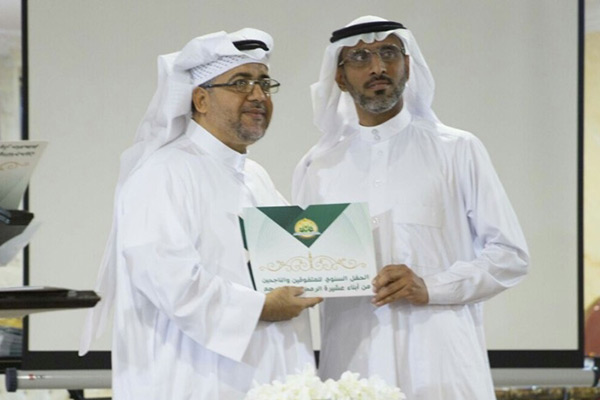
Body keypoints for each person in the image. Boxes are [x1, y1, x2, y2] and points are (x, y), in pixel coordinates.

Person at [293, 15, 529, 399]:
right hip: (352, 367)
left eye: (389, 53)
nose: (378, 67)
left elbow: (510, 255)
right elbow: (303, 264)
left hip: (442, 366)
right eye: (360, 57)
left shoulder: (457, 149)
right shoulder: (317, 166)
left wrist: (431, 286)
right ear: (339, 76)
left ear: (407, 63)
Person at [79, 28, 322, 400]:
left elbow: (291, 262)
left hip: (262, 382)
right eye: (240, 83)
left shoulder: (255, 177)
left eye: (264, 83)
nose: (258, 95)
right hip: (190, 382)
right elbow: (170, 280)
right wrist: (261, 307)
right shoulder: (163, 173)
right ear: (201, 99)